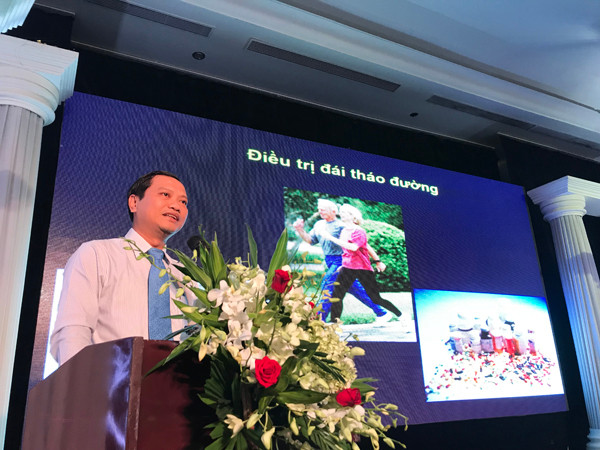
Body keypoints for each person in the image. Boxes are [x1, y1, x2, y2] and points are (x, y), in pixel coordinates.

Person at [50, 171, 193, 365]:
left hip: (174, 383)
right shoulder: (97, 255)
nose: (176, 206)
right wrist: (78, 381)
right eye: (165, 195)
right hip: (110, 382)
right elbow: (72, 331)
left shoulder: (185, 276)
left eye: (183, 202)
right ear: (134, 203)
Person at [293, 199, 392, 322]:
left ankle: (318, 320)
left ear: (333, 211)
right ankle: (382, 313)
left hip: (341, 260)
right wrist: (300, 230)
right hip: (330, 260)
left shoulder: (342, 226)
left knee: (327, 285)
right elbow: (310, 240)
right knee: (356, 289)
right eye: (319, 209)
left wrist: (378, 260)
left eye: (323, 209)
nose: (320, 211)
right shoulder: (319, 224)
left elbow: (364, 245)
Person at [321, 204, 402, 322]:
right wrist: (343, 265)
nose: (341, 214)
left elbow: (353, 247)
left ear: (352, 216)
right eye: (341, 212)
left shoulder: (359, 231)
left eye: (344, 212)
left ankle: (400, 315)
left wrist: (331, 238)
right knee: (337, 295)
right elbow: (346, 252)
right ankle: (334, 322)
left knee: (375, 298)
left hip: (362, 268)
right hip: (348, 268)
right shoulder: (344, 231)